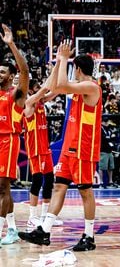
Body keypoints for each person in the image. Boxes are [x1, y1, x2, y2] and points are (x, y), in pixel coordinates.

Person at [19, 39, 102, 251]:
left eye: (74, 69)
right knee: (58, 186)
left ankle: (89, 236)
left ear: (79, 69)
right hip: (69, 147)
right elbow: (55, 85)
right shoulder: (76, 87)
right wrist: (58, 62)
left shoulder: (91, 87)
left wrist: (64, 58)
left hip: (83, 148)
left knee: (85, 191)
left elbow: (62, 85)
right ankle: (44, 231)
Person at [0, 23, 30, 245]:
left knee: (2, 186)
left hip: (9, 139)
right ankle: (11, 229)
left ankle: (3, 230)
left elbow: (25, 71)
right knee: (3, 188)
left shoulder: (16, 93)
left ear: (10, 76)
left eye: (2, 71)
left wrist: (11, 44)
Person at [23, 79, 62, 231]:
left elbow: (54, 92)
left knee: (49, 181)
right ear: (32, 91)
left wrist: (63, 82)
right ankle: (32, 217)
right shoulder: (29, 105)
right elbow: (44, 91)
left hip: (45, 149)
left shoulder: (41, 104)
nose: (40, 89)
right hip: (35, 149)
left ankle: (45, 215)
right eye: (37, 88)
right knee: (37, 180)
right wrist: (48, 84)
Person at [99, 117, 116, 188]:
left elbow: (111, 137)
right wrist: (109, 137)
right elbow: (103, 138)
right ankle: (101, 182)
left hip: (109, 151)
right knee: (102, 167)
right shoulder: (100, 129)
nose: (107, 124)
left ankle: (110, 181)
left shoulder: (108, 130)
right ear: (103, 122)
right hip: (103, 150)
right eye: (106, 122)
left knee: (111, 167)